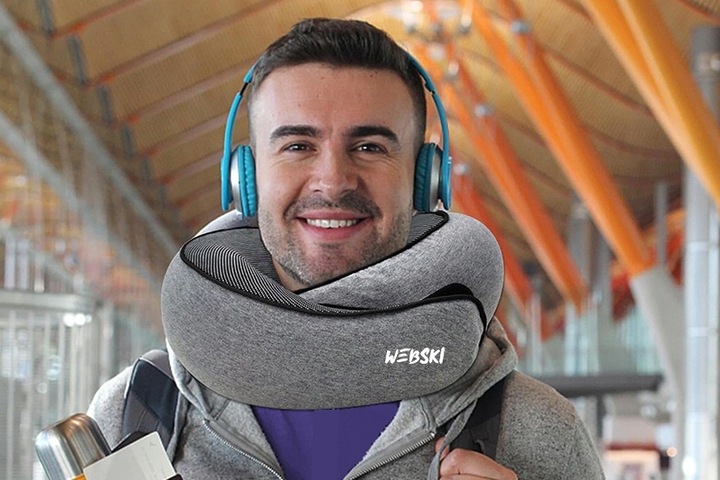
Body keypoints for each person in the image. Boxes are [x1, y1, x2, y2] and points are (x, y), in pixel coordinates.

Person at [87, 17, 605, 480]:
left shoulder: (536, 430)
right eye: (298, 146)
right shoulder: (135, 416)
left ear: (424, 181)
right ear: (245, 179)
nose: (333, 180)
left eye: (369, 147)